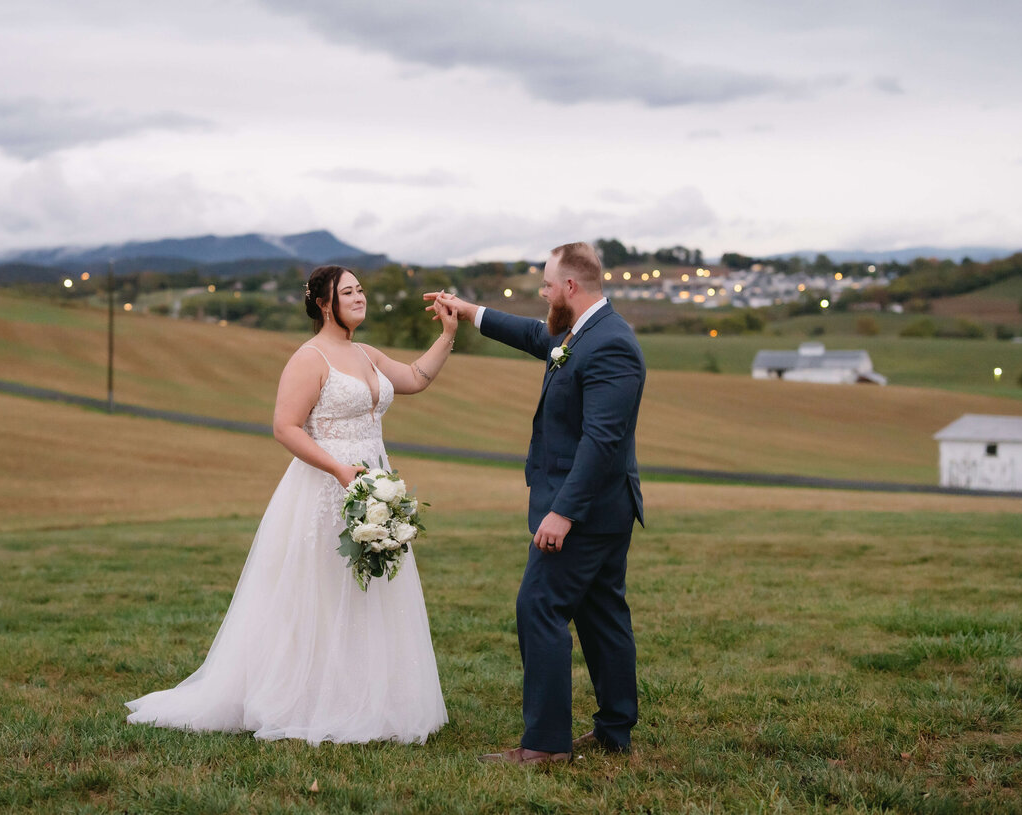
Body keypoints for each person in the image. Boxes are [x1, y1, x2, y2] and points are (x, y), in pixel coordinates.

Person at [127, 264, 457, 745]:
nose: (360, 297)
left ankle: (369, 698)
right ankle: (307, 698)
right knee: (321, 593)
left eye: (361, 289)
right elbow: (285, 426)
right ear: (325, 303)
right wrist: (341, 471)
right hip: (325, 489)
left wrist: (448, 334)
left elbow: (413, 378)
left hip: (374, 487)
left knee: (368, 594)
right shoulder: (310, 356)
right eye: (349, 291)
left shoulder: (365, 353)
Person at [427, 241, 645, 765]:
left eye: (547, 285)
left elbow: (602, 441)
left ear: (570, 287)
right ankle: (616, 731)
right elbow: (533, 335)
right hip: (602, 509)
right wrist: (468, 310)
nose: (542, 293)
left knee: (539, 607)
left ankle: (545, 746)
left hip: (586, 511)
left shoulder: (611, 343)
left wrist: (562, 512)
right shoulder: (579, 331)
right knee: (601, 615)